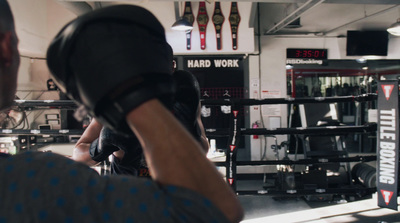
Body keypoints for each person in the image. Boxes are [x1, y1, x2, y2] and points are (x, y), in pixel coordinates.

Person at [0, 2, 243, 223]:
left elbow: (203, 145)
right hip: (132, 193)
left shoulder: (24, 181)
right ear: (6, 48)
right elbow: (218, 212)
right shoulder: (29, 179)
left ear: (170, 67)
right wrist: (103, 144)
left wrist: (182, 132)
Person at [72, 69, 209, 176]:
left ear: (171, 66)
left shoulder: (181, 99)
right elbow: (78, 155)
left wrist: (188, 132)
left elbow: (203, 149)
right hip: (127, 195)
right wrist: (100, 147)